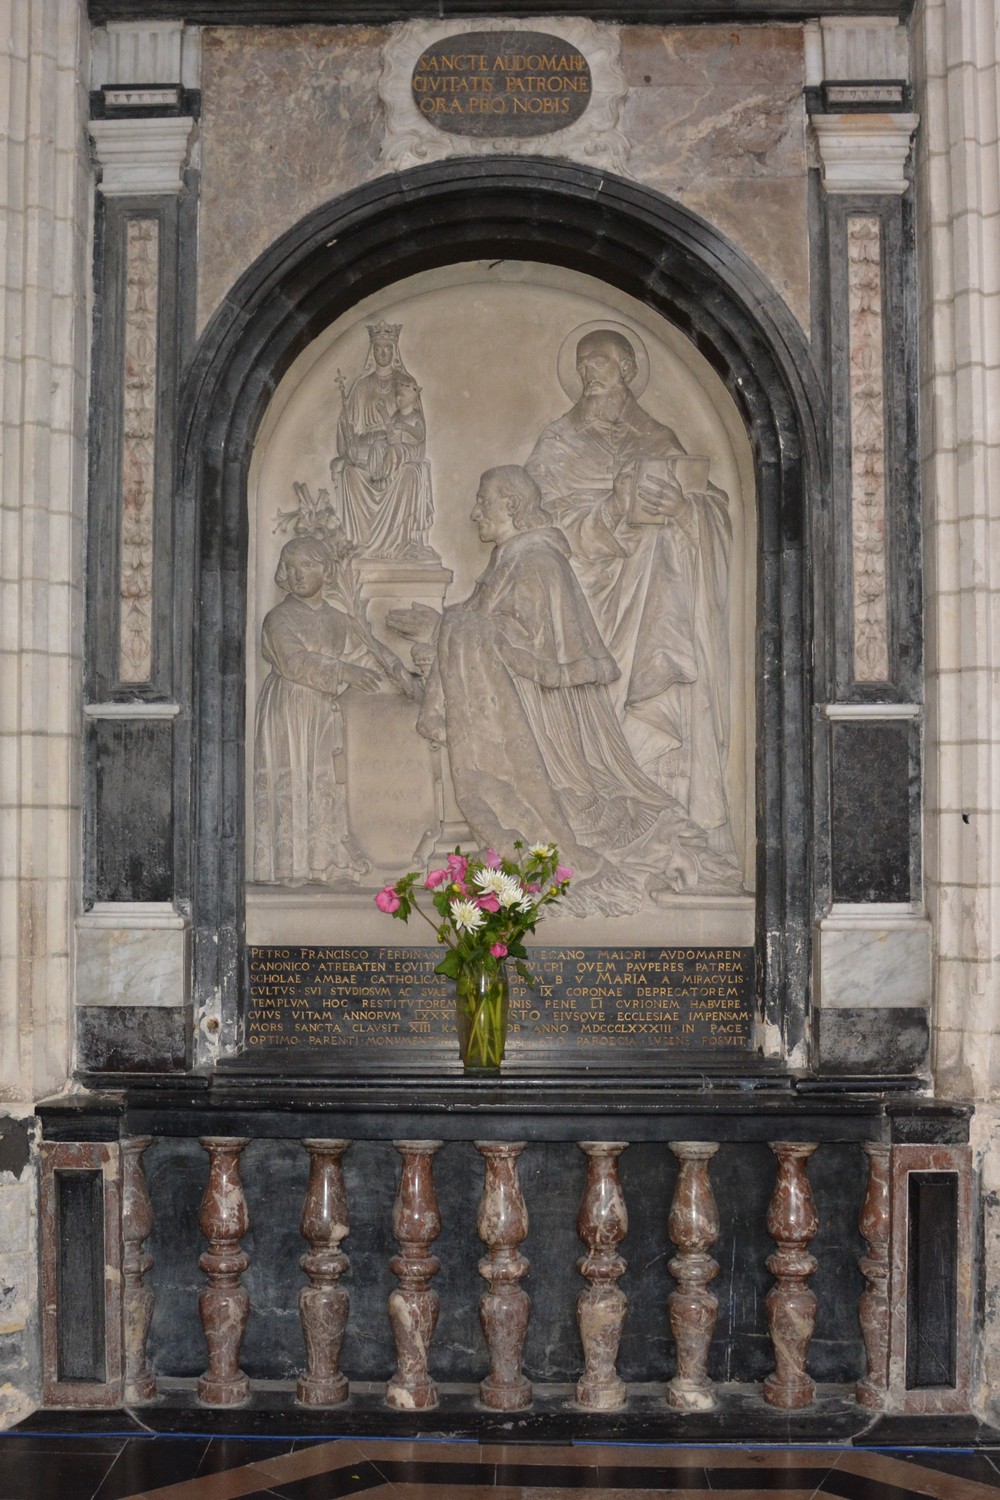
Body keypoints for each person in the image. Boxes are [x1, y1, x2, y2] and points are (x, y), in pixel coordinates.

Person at [415, 466, 742, 914]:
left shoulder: (537, 563)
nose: (474, 514)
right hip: (512, 719)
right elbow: (490, 631)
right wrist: (444, 633)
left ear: (511, 505)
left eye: (483, 502)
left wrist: (451, 626)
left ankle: (647, 850)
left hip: (540, 730)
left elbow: (522, 645)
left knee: (573, 806)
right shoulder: (511, 561)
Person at [525, 329, 735, 856]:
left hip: (653, 607)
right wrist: (614, 510)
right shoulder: (557, 442)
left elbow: (712, 511)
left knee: (656, 687)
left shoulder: (658, 439)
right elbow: (539, 524)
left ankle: (658, 823)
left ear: (627, 370)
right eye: (582, 364)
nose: (590, 374)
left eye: (600, 362)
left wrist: (682, 511)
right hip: (583, 601)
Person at [253, 534, 383, 885]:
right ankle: (292, 865)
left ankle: (328, 860)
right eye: (291, 568)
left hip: (330, 710)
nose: (298, 575)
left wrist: (400, 673)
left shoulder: (339, 619)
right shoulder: (278, 617)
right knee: (296, 775)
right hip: (292, 707)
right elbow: (294, 661)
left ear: (324, 570)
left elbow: (364, 659)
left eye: (307, 566)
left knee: (328, 780)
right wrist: (342, 671)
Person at [331, 322, 435, 560]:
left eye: (388, 348)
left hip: (396, 450)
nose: (383, 353)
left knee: (409, 474)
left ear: (394, 350)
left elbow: (417, 434)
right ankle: (358, 545)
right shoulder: (362, 385)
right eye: (378, 348)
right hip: (367, 450)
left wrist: (398, 440)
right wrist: (349, 443)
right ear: (372, 351)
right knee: (349, 474)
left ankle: (401, 544)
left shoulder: (405, 382)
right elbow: (347, 425)